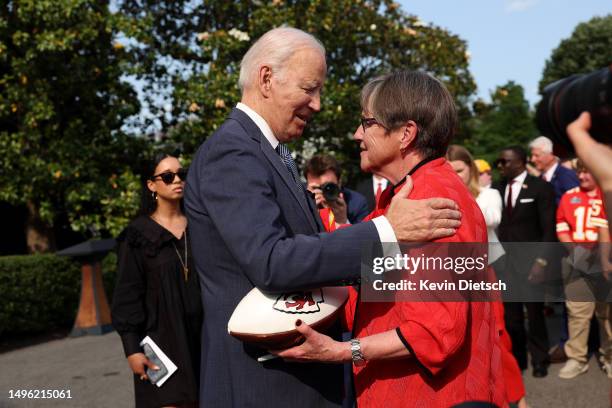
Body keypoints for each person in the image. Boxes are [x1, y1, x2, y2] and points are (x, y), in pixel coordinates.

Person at [184, 27, 462, 408]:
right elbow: (272, 261)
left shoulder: (268, 152)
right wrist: (385, 231)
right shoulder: (233, 152)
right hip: (266, 385)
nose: (317, 104)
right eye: (309, 88)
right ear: (267, 79)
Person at [274, 71, 505, 408]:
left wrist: (341, 351)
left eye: (366, 123)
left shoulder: (433, 202)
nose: (357, 134)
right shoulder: (405, 196)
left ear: (405, 134)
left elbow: (434, 330)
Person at [111, 154, 202, 408]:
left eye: (181, 174)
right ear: (151, 185)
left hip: (204, 338)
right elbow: (127, 295)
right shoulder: (137, 236)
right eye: (167, 176)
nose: (177, 180)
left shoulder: (200, 226)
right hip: (161, 342)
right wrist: (132, 348)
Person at [447, 145, 527, 407]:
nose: (454, 175)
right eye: (449, 171)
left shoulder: (488, 194)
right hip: (457, 276)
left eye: (458, 170)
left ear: (470, 168)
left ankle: (517, 397)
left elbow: (490, 218)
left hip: (489, 269)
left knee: (500, 335)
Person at [494, 146, 556, 378]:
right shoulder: (497, 188)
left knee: (536, 315)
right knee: (512, 318)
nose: (500, 166)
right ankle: (517, 360)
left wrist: (542, 261)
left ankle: (540, 359)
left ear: (519, 162)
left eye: (504, 161)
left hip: (532, 264)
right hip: (505, 265)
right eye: (499, 162)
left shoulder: (541, 187)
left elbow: (549, 229)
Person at [555, 161, 611, 379]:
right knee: (577, 312)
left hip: (605, 261)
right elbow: (562, 227)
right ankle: (577, 358)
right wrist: (577, 253)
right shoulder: (569, 196)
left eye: (587, 171)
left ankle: (609, 356)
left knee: (607, 314)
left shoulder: (607, 194)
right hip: (577, 260)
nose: (582, 176)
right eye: (579, 172)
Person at [304, 154, 369, 225]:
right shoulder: (300, 202)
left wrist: (342, 221)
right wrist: (308, 213)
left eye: (328, 187)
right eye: (316, 188)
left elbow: (362, 235)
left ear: (339, 182)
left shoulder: (357, 203)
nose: (322, 192)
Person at [529, 135, 579, 204]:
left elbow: (577, 202)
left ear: (550, 155)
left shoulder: (565, 175)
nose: (532, 160)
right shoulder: (541, 179)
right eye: (532, 156)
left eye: (537, 155)